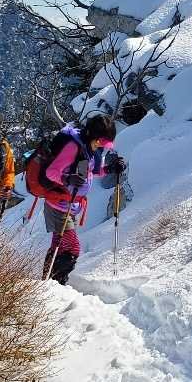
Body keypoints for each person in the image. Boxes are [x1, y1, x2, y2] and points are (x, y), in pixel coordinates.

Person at [38, 114, 126, 285]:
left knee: (60, 245)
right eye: (101, 142)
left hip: (71, 205)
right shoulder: (73, 147)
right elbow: (51, 172)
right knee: (72, 248)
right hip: (59, 204)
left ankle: (47, 284)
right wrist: (67, 179)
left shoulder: (88, 149)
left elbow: (90, 171)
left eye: (105, 144)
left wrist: (109, 169)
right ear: (91, 134)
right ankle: (57, 284)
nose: (102, 146)